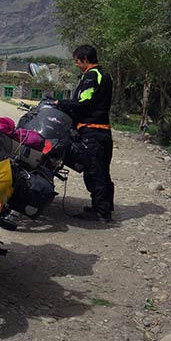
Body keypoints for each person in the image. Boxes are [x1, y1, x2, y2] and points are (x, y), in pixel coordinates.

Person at [56, 45, 114, 223]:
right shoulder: (105, 75)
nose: (76, 64)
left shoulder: (91, 76)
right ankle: (105, 207)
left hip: (92, 131)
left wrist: (61, 103)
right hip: (103, 131)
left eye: (77, 61)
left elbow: (83, 102)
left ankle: (100, 212)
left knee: (93, 171)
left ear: (85, 60)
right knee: (103, 171)